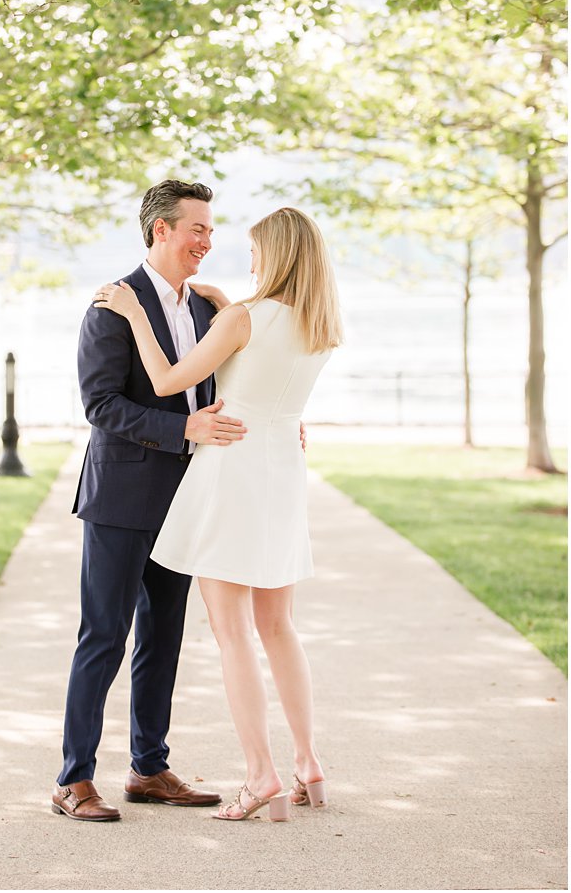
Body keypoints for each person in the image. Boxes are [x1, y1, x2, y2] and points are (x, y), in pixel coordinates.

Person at [93, 205, 341, 822]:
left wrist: (132, 314)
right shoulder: (319, 322)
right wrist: (232, 302)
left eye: (256, 249)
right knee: (279, 626)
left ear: (277, 254)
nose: (247, 257)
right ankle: (308, 763)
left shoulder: (240, 317)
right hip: (282, 472)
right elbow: (265, 366)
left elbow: (171, 378)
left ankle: (262, 778)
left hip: (231, 469)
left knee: (232, 633)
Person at [51, 180, 247, 823]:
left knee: (164, 638)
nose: (207, 241)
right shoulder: (112, 306)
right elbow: (100, 405)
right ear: (161, 229)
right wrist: (180, 429)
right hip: (121, 497)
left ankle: (148, 768)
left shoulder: (207, 310)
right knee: (103, 636)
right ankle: (73, 780)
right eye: (198, 228)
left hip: (187, 498)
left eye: (211, 230)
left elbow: (217, 385)